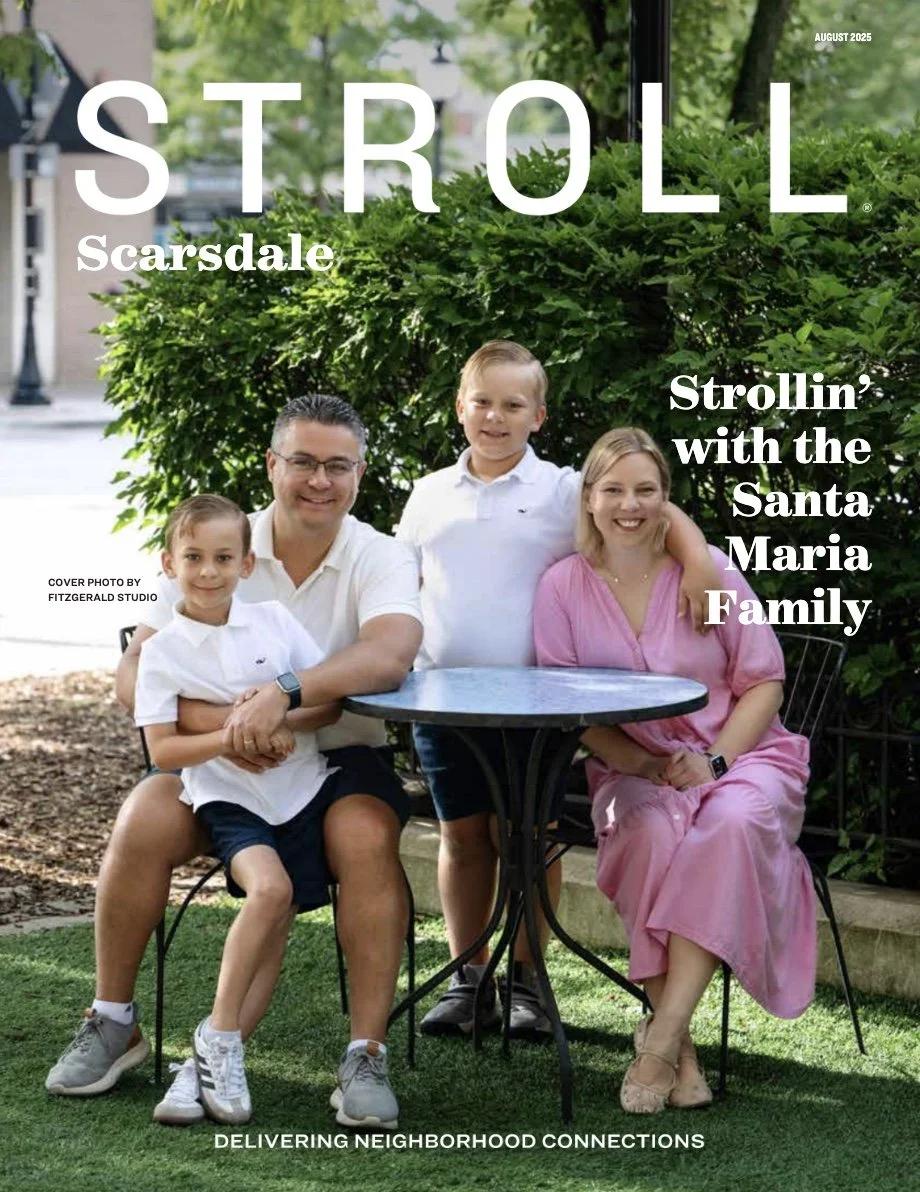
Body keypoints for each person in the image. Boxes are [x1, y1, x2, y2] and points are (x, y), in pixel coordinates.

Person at [45, 395, 422, 1131]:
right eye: (304, 462)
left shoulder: (380, 554)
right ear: (272, 464)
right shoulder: (220, 542)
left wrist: (281, 698)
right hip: (220, 768)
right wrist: (234, 727)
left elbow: (390, 656)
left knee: (368, 836)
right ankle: (114, 1020)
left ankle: (365, 1055)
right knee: (144, 815)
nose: (320, 480)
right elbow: (135, 673)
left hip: (340, 756)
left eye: (337, 465)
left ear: (360, 473)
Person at [396, 343, 719, 1041]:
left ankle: (528, 981)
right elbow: (401, 584)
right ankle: (467, 976)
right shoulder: (427, 495)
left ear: (537, 416)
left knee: (529, 839)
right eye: (483, 401)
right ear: (460, 406)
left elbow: (648, 506)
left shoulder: (558, 491)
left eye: (514, 405)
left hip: (539, 707)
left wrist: (694, 561)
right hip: (442, 700)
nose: (495, 416)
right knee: (461, 836)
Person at [533, 427, 816, 1114]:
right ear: (590, 499)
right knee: (647, 830)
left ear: (666, 499)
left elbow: (762, 682)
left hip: (740, 755)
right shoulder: (563, 587)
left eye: (647, 490)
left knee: (730, 823)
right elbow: (568, 706)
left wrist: (715, 760)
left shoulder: (707, 575)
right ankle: (680, 1049)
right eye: (614, 490)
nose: (630, 506)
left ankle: (659, 1042)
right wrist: (642, 762)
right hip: (633, 768)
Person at [133, 494, 346, 1125]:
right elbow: (164, 746)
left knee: (275, 918)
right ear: (167, 563)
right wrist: (236, 735)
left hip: (300, 789)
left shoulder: (276, 621)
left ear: (246, 564)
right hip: (225, 795)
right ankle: (222, 1038)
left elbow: (328, 704)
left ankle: (198, 1062)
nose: (207, 571)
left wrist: (281, 712)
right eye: (193, 557)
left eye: (223, 557)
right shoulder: (163, 651)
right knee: (270, 891)